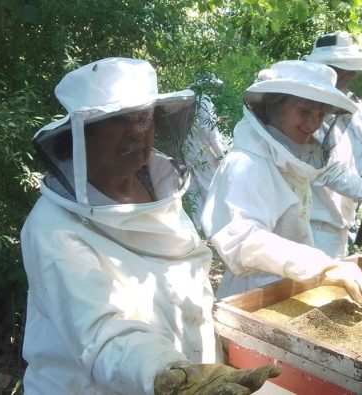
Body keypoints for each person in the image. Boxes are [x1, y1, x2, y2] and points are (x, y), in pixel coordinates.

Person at [20, 57, 279, 394]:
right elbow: (101, 333)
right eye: (115, 120)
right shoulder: (52, 228)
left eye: (143, 117)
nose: (136, 131)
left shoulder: (162, 189)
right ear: (80, 135)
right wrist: (164, 373)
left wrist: (214, 345)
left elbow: (188, 281)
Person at [202, 60, 362, 307]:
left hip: (291, 286)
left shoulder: (296, 152)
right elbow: (242, 240)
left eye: (320, 114)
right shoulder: (246, 163)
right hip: (254, 294)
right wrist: (319, 264)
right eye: (304, 111)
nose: (312, 124)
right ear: (274, 106)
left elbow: (333, 171)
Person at [303, 31, 362, 254]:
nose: (350, 76)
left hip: (343, 206)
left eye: (349, 72)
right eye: (343, 72)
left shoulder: (359, 110)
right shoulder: (300, 110)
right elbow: (321, 168)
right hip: (308, 212)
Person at [184, 72, 231, 228]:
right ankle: (214, 226)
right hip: (202, 151)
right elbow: (208, 131)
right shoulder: (204, 100)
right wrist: (219, 154)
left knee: (194, 190)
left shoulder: (190, 101)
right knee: (210, 187)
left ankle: (198, 226)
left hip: (188, 150)